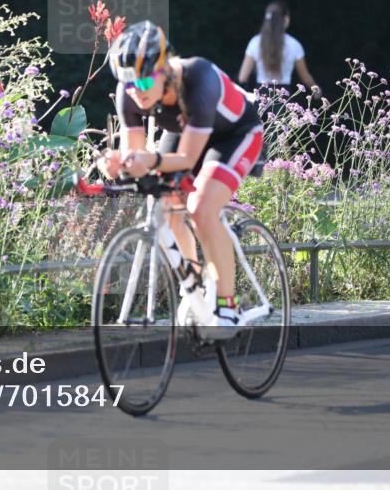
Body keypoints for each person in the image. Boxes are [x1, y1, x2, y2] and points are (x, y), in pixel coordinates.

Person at [96, 20, 264, 335]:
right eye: (128, 84)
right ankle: (196, 290)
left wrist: (149, 160)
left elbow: (186, 158)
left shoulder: (199, 79)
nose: (135, 92)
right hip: (187, 132)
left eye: (143, 82)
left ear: (165, 69)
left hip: (235, 134)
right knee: (167, 205)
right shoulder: (129, 92)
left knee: (201, 207)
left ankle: (228, 306)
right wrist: (118, 163)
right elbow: (136, 156)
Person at [237, 0, 319, 96]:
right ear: (286, 19)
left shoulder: (255, 42)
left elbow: (242, 77)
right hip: (283, 96)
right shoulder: (294, 44)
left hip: (261, 96)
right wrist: (316, 90)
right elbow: (305, 77)